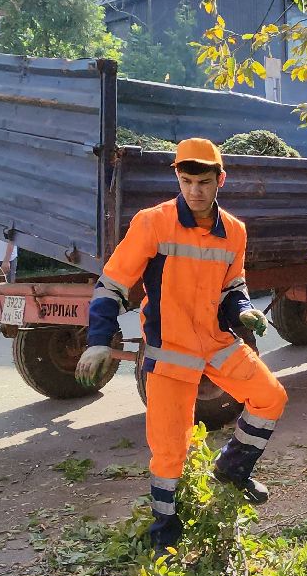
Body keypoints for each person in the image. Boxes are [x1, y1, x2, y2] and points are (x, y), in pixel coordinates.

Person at [74, 138, 284, 553]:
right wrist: (98, 341)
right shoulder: (153, 222)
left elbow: (233, 286)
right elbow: (113, 283)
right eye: (186, 181)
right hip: (170, 349)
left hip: (216, 342)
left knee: (270, 398)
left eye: (203, 181)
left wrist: (242, 311)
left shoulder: (235, 232)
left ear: (220, 180)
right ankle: (165, 530)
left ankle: (231, 469)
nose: (195, 191)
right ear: (177, 178)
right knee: (170, 451)